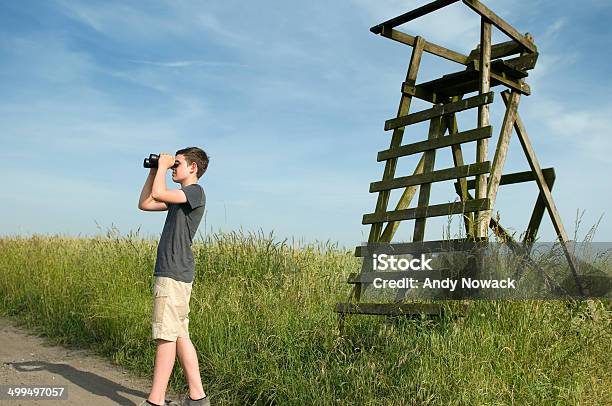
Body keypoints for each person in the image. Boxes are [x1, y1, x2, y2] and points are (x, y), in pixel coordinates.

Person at [137, 147, 210, 406]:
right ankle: (197, 397)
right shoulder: (180, 199)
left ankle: (155, 400)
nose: (173, 167)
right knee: (179, 335)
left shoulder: (194, 192)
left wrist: (163, 169)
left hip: (173, 271)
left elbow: (159, 192)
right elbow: (145, 203)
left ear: (193, 167)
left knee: (166, 336)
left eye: (177, 164)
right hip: (177, 272)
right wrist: (156, 170)